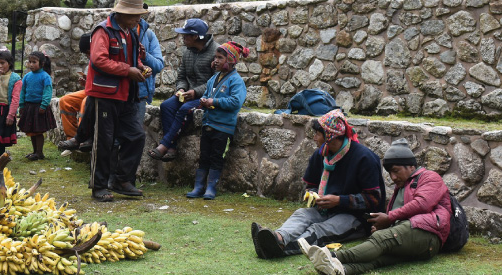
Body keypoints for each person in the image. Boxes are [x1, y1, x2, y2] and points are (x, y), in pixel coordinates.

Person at [299, 139, 451, 275]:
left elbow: (421, 204)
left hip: (429, 234)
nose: (393, 177)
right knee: (379, 258)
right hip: (412, 238)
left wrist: (389, 218)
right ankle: (340, 270)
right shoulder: (402, 188)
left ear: (411, 166)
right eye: (390, 173)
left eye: (396, 171)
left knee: (381, 239)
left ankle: (332, 257)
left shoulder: (430, 177)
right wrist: (384, 225)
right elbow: (400, 218)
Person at [251, 109, 386, 258]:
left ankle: (277, 248)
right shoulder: (319, 155)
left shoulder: (364, 158)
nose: (314, 137)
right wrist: (313, 194)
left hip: (356, 218)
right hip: (325, 210)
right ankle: (278, 237)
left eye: (317, 134)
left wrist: (339, 201)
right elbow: (311, 184)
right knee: (302, 215)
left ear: (330, 136)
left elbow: (373, 199)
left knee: (319, 230)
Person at [86, 0, 151, 202]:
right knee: (104, 141)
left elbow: (133, 59)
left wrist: (140, 67)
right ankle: (99, 187)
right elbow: (99, 60)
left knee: (136, 136)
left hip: (127, 95)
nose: (138, 19)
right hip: (105, 95)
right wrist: (128, 71)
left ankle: (123, 180)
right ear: (122, 13)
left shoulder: (130, 32)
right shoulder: (103, 31)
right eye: (135, 15)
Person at [148, 18, 217, 162]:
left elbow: (216, 81)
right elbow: (181, 76)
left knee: (185, 109)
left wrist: (195, 92)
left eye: (185, 35)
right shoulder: (187, 52)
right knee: (166, 106)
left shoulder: (216, 52)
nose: (182, 38)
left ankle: (164, 145)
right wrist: (181, 88)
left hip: (207, 96)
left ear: (196, 37)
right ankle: (171, 147)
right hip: (188, 94)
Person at [186, 41, 248, 200]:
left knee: (216, 157)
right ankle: (199, 186)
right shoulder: (213, 79)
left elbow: (236, 102)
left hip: (223, 127)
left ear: (232, 61)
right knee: (204, 155)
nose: (216, 61)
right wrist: (203, 102)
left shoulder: (236, 81)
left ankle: (211, 188)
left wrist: (214, 102)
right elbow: (207, 94)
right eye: (216, 57)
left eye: (221, 58)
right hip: (208, 124)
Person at [18, 51, 57, 160]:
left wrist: (43, 105)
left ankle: (39, 152)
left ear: (42, 63)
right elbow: (23, 91)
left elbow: (47, 91)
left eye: (34, 62)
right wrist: (21, 105)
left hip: (39, 107)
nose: (31, 64)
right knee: (32, 131)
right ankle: (35, 151)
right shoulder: (27, 77)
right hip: (29, 107)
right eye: (29, 62)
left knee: (38, 131)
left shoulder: (45, 77)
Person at [58, 34, 92, 151]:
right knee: (65, 101)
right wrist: (87, 82)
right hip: (90, 89)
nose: (87, 55)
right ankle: (72, 138)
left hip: (100, 93)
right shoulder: (92, 59)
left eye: (88, 52)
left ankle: (83, 138)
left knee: (85, 103)